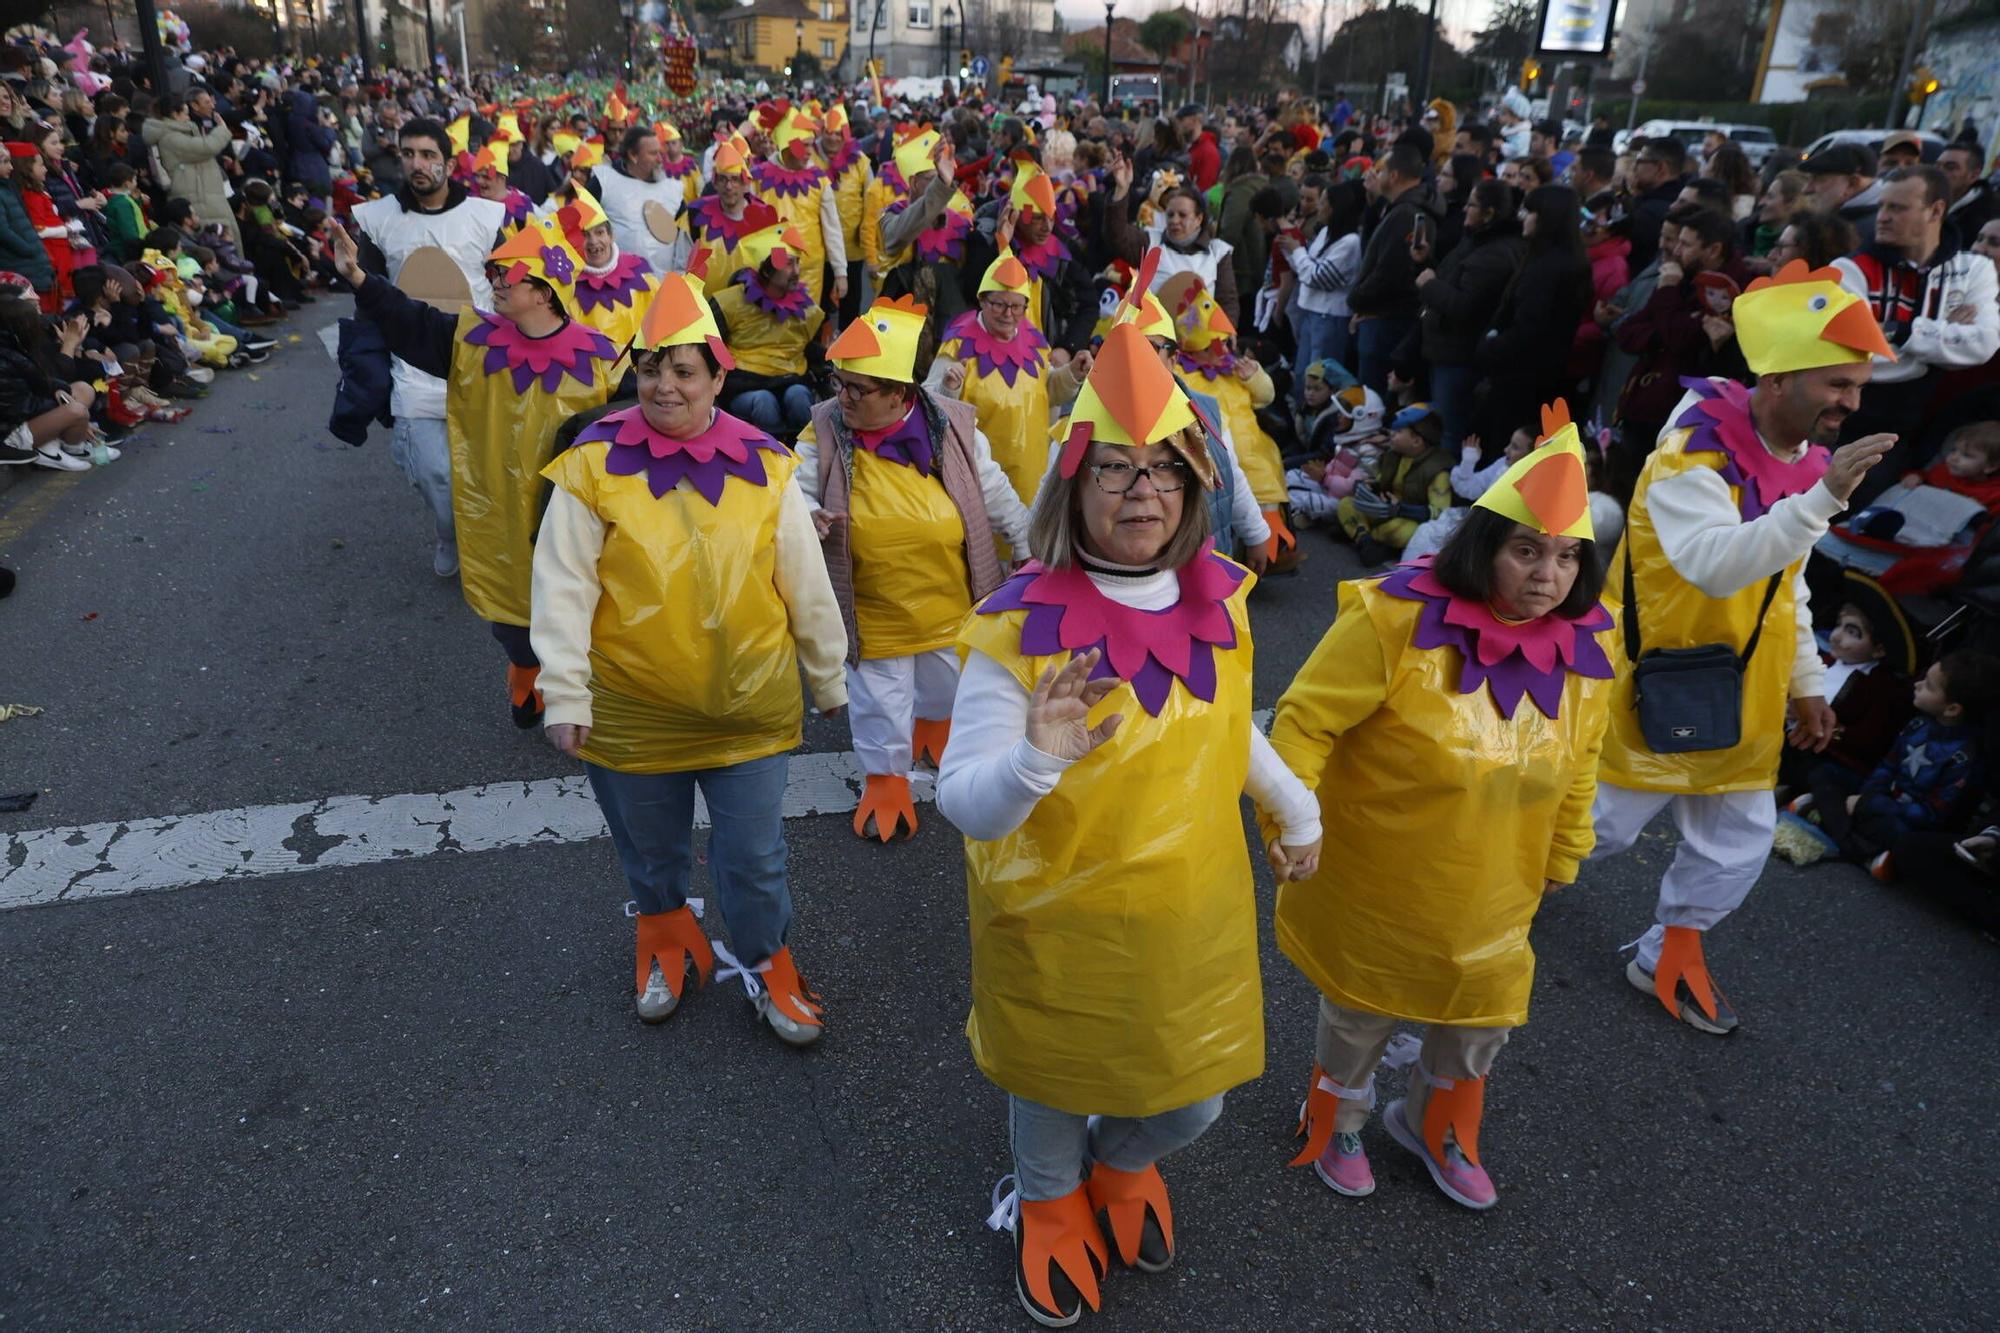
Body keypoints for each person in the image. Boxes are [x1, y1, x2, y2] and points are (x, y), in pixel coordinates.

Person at [936, 311, 1319, 1328]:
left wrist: (1292, 801)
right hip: (1055, 920)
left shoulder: (1218, 600)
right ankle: (1050, 1199)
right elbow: (962, 798)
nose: (1140, 489)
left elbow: (1230, 724)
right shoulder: (1019, 625)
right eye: (1113, 469)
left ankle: (1120, 1163)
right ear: (1075, 487)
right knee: (1056, 1079)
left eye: (1161, 469)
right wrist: (1031, 758)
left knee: (1189, 1098)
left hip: (1190, 912)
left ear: (1196, 486)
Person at [1271, 408, 1612, 1210]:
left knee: (1481, 1013)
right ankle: (1338, 1116)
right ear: (1485, 544)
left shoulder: (1589, 650)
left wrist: (1567, 850)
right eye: (1527, 550)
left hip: (1499, 883)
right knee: (1363, 1008)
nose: (1546, 574)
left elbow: (1583, 758)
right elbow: (1305, 718)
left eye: (1567, 557)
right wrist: (1292, 818)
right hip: (1383, 873)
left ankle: (1436, 1121)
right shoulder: (1395, 621)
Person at [532, 270, 844, 1044]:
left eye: (682, 370)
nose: (663, 385)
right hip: (634, 710)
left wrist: (829, 673)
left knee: (756, 858)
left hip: (750, 707)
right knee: (651, 850)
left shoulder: (769, 464)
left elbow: (803, 577)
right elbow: (562, 585)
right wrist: (565, 693)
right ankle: (667, 939)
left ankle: (767, 960)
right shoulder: (591, 464)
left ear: (716, 377)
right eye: (649, 368)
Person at [1589, 260, 1898, 1035]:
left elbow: (1783, 583)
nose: (1849, 405)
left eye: (1858, 389)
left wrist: (1807, 681)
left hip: (1741, 685)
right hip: (1657, 675)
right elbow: (1714, 563)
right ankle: (1477, 896)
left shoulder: (1800, 465)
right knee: (1598, 825)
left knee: (1739, 837)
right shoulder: (1693, 450)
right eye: (1836, 385)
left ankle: (1669, 951)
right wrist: (1824, 502)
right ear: (1780, 376)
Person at [329, 216, 625, 728]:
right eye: (495, 271)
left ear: (544, 291)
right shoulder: (471, 338)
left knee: (580, 604)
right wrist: (359, 278)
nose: (496, 280)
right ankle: (525, 668)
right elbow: (410, 320)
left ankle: (576, 687)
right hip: (498, 507)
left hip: (569, 511)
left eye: (508, 273)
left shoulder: (600, 357)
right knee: (512, 615)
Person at [794, 294, 1030, 842]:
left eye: (857, 387)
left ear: (899, 393)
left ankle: (934, 725)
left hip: (952, 597)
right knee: (879, 699)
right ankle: (886, 780)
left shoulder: (953, 424)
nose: (843, 396)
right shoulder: (825, 428)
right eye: (840, 383)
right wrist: (807, 515)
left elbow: (993, 488)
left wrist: (1023, 539)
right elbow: (795, 484)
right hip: (874, 607)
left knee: (949, 680)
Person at [350, 115, 510, 579]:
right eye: (408, 154)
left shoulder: (484, 217)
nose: (417, 164)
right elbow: (369, 299)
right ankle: (450, 533)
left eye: (427, 155)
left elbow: (507, 283)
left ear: (448, 162)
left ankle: (485, 547)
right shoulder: (378, 220)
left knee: (486, 473)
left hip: (479, 363)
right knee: (437, 474)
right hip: (413, 371)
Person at [1833, 165, 2000, 504]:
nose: (1882, 217)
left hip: (1917, 429)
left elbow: (1984, 345)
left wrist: (1903, 330)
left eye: (1897, 208)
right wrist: (1944, 338)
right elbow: (1853, 352)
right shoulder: (1849, 269)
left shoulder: (1974, 269)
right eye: (1882, 206)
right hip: (1845, 418)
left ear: (1936, 211)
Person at [929, 248, 1087, 506]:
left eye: (1016, 306)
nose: (1008, 314)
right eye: (999, 304)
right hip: (983, 476)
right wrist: (948, 387)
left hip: (1031, 470)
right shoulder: (958, 343)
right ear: (982, 300)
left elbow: (1048, 392)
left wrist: (1072, 374)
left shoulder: (1035, 340)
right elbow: (930, 402)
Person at [1163, 271, 1294, 565]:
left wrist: (1256, 377)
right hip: (1215, 447)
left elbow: (1266, 397)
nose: (1220, 350)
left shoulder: (1236, 369)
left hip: (1254, 449)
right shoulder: (1183, 373)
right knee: (1224, 496)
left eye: (1223, 343)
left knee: (1264, 489)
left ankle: (1271, 548)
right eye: (1213, 345)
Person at [1476, 185, 1593, 449]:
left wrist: (1489, 347)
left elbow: (1528, 328)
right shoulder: (1564, 261)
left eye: (1529, 211)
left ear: (1546, 217)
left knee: (1503, 451)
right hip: (1539, 377)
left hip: (1520, 379)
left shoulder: (1547, 268)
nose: (1521, 216)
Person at [1412, 178, 1524, 452]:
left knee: (1450, 431)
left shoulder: (1495, 253)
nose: (1464, 209)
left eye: (1472, 205)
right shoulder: (1477, 241)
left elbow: (1465, 306)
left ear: (1489, 213)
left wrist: (1429, 285)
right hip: (1446, 351)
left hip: (1459, 357)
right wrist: (1428, 262)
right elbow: (1455, 280)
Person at [709, 222, 825, 438]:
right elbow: (707, 348)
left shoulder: (808, 310)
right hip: (745, 385)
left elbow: (813, 352)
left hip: (791, 380)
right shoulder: (728, 303)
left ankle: (809, 454)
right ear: (767, 267)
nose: (797, 272)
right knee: (764, 403)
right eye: (789, 264)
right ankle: (769, 459)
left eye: (798, 263)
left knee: (800, 397)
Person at [1103, 151, 1241, 326]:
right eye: (1170, 214)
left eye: (1182, 215)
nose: (1175, 220)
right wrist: (1122, 190)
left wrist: (1224, 334)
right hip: (1153, 342)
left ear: (1199, 219)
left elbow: (1227, 301)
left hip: (1198, 344)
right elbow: (1116, 235)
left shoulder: (1218, 253)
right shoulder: (1150, 242)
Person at [1347, 143, 1442, 392]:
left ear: (1394, 175)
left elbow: (1391, 272)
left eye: (1380, 171)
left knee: (1372, 398)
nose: (1376, 176)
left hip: (1386, 322)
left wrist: (1357, 299)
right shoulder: (1398, 209)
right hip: (1381, 317)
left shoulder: (1407, 214)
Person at [749, 108, 847, 314]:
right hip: (768, 273)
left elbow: (832, 229)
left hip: (809, 273)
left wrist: (840, 272)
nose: (810, 151)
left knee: (805, 332)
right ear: (787, 145)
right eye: (804, 146)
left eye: (811, 144)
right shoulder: (757, 178)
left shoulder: (819, 180)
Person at [1280, 175, 1363, 407]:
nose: (1319, 207)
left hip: (1330, 319)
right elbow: (1307, 268)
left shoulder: (1350, 243)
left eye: (1324, 201)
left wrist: (1297, 252)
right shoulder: (1326, 233)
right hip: (1310, 313)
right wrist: (1290, 251)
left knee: (1320, 381)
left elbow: (1318, 277)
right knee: (1302, 375)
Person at [554, 181, 657, 353]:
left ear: (611, 236)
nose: (594, 241)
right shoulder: (566, 288)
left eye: (600, 232)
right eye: (585, 235)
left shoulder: (642, 277)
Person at [684, 137, 779, 297]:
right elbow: (683, 257)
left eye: (735, 179)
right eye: (723, 179)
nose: (728, 186)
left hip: (750, 305)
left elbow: (773, 265)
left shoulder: (763, 214)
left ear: (745, 182)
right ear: (714, 182)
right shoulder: (697, 213)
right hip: (709, 306)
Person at [588, 125, 686, 278]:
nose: (660, 159)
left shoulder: (673, 190)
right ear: (633, 155)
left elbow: (684, 241)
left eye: (660, 153)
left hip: (663, 287)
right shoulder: (603, 183)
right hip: (618, 285)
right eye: (653, 154)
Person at [1799, 143, 1882, 240]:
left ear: (1852, 184)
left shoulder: (1862, 234)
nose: (1806, 189)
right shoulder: (1872, 225)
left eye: (1819, 179)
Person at [1937, 143, 1996, 242]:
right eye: (1937, 165)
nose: (1939, 172)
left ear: (1973, 175)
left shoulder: (1987, 216)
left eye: (1950, 167)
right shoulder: (1925, 199)